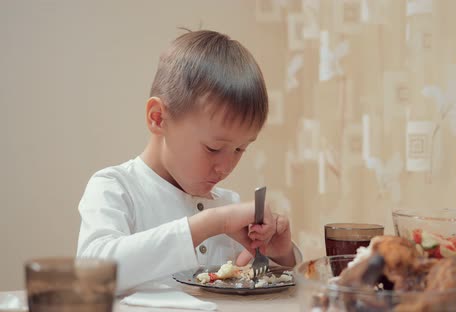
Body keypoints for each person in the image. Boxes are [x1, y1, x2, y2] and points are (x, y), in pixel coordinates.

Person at [76, 29, 300, 292]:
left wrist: (281, 255)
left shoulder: (226, 205)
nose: (225, 167)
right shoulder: (115, 187)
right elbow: (92, 275)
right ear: (158, 118)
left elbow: (273, 289)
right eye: (213, 148)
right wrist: (211, 224)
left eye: (240, 149)